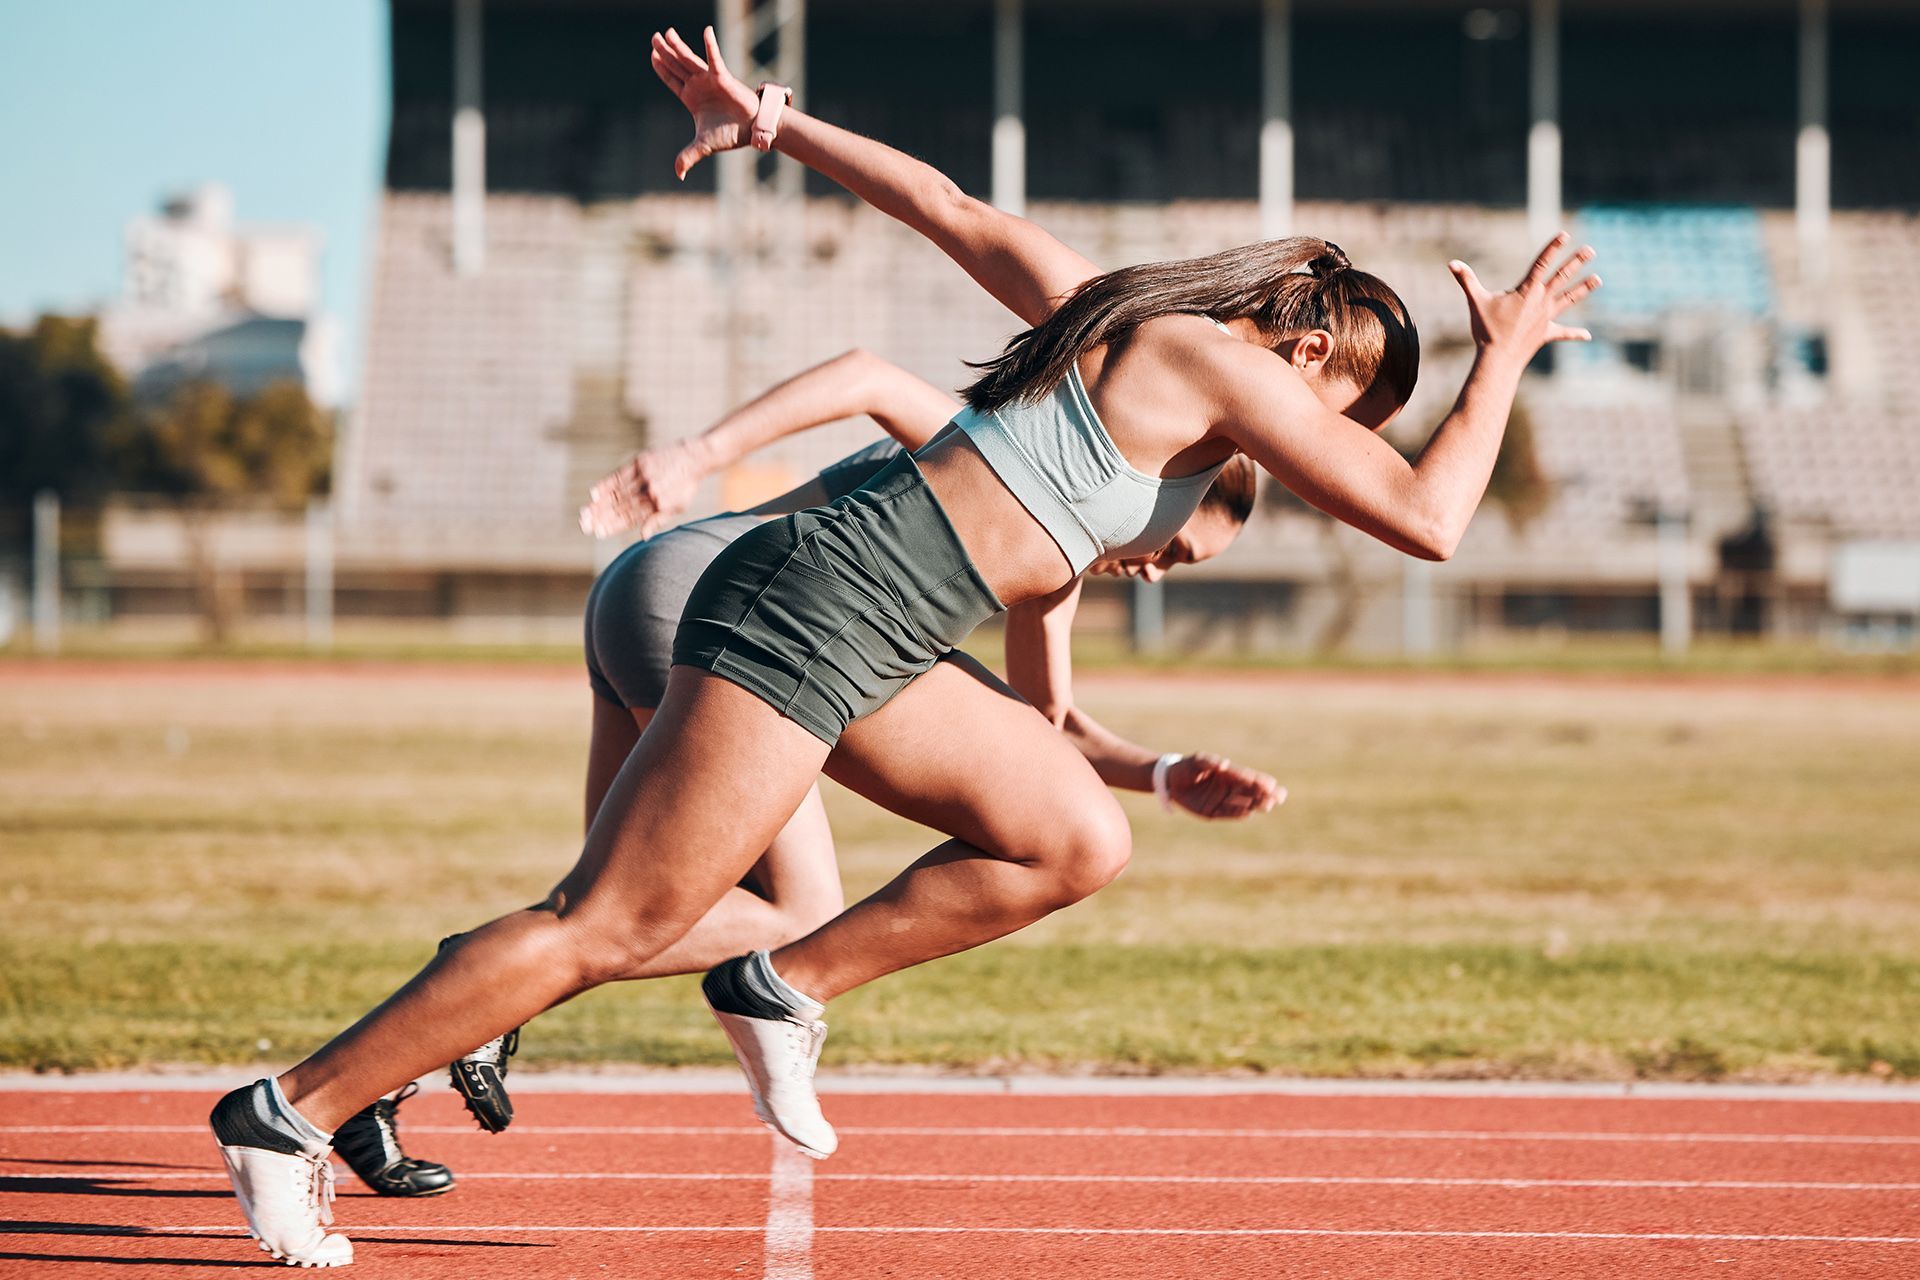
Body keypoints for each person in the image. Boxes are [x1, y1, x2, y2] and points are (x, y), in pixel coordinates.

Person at [208, 25, 1597, 1266]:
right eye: (1355, 405)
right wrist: (1508, 356)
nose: (1337, 446)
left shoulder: (1116, 323)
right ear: (1307, 349)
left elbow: (941, 204)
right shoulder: (1221, 358)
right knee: (614, 922)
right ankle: (290, 1115)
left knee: (1071, 837)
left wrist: (772, 123)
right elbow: (1428, 520)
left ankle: (781, 985)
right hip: (825, 602)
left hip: (887, 625)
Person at [340, 347, 1275, 1195]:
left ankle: (373, 1076)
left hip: (656, 589)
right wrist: (694, 454)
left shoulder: (1058, 553)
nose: (1155, 570)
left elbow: (1044, 724)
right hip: (720, 603)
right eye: (1177, 546)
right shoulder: (1021, 456)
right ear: (1172, 480)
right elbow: (868, 377)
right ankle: (443, 1015)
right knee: (784, 914)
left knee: (604, 913)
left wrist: (1159, 773)